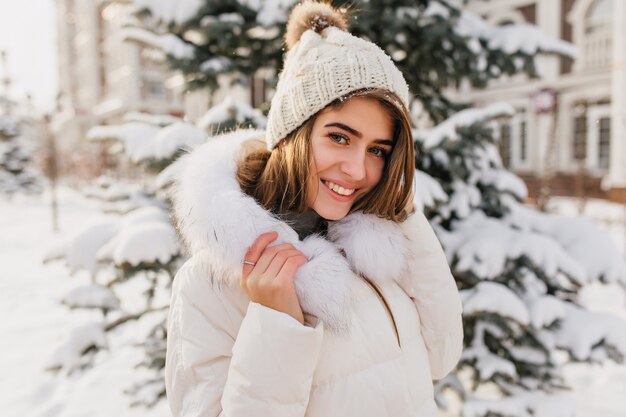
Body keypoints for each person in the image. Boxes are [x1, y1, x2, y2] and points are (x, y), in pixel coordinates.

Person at [165, 1, 463, 416]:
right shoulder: (210, 283)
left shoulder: (372, 247)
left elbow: (442, 355)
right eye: (340, 138)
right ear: (291, 133)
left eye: (378, 150)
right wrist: (276, 324)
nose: (359, 169)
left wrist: (407, 221)